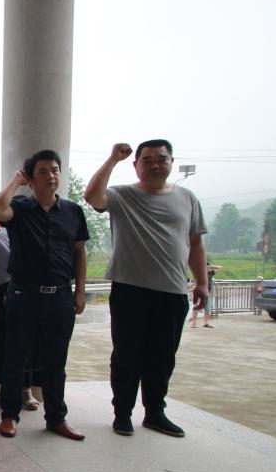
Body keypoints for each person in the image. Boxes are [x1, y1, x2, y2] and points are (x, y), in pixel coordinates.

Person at [84, 140, 208, 438]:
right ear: (136, 165)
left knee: (162, 357)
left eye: (161, 159)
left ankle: (155, 413)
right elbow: (92, 196)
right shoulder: (122, 195)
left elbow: (195, 243)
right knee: (127, 355)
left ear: (171, 162)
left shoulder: (187, 198)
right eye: (147, 159)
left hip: (173, 291)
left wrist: (202, 282)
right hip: (131, 291)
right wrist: (112, 159)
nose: (155, 164)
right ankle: (122, 413)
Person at [0, 152, 89, 440]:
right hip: (24, 295)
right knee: (14, 358)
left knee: (56, 361)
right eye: (42, 171)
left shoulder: (73, 211)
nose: (51, 176)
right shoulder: (19, 208)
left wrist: (80, 291)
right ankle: (9, 415)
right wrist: (16, 181)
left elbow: (79, 252)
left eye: (54, 170)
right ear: (31, 179)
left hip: (60, 297)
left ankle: (56, 418)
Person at [191, 258, 223, 328]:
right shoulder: (199, 273)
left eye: (208, 268)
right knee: (196, 307)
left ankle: (206, 323)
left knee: (207, 309)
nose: (208, 269)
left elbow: (220, 267)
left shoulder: (210, 273)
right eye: (206, 267)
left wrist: (210, 266)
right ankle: (194, 323)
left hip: (208, 293)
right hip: (200, 293)